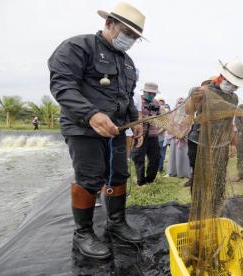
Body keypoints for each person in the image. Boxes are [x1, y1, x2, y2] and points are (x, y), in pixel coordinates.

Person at [48, 2, 146, 259]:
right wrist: (90, 113)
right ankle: (83, 233)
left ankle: (116, 223)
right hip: (83, 128)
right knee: (90, 178)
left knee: (119, 175)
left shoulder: (127, 63)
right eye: (127, 32)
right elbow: (62, 86)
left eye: (135, 37)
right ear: (109, 24)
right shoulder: (78, 47)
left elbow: (127, 96)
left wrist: (136, 124)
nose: (130, 40)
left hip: (116, 129)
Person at [186, 58, 243, 212]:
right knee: (199, 176)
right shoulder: (201, 91)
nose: (232, 87)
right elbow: (188, 112)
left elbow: (229, 121)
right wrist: (195, 99)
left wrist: (233, 142)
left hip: (220, 144)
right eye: (231, 82)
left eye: (236, 85)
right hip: (199, 141)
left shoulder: (233, 97)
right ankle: (198, 207)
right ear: (222, 76)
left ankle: (215, 206)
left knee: (219, 176)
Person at [184, 77, 215, 188]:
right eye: (208, 85)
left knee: (211, 167)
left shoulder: (224, 97)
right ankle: (194, 179)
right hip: (196, 137)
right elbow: (188, 111)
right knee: (195, 164)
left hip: (214, 138)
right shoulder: (197, 93)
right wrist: (193, 98)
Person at [132, 82, 162, 185]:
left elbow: (159, 116)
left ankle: (150, 180)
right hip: (140, 134)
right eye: (150, 93)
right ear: (144, 91)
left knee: (155, 158)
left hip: (153, 135)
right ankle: (141, 181)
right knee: (139, 158)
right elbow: (133, 116)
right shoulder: (137, 101)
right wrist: (145, 119)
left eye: (154, 94)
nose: (152, 95)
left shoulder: (156, 103)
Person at [166, 97, 191, 178]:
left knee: (184, 156)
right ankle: (173, 172)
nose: (180, 104)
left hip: (184, 139)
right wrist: (175, 134)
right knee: (174, 156)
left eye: (182, 103)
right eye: (179, 103)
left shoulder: (188, 114)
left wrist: (183, 134)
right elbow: (169, 126)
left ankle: (184, 173)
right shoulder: (172, 115)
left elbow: (189, 126)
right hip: (174, 138)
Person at [156, 96, 170, 173]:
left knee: (161, 154)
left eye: (162, 103)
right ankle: (155, 168)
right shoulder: (153, 115)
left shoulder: (165, 116)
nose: (160, 105)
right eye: (159, 103)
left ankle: (160, 168)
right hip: (154, 138)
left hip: (161, 138)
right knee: (155, 154)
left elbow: (165, 127)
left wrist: (157, 132)